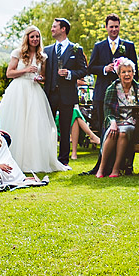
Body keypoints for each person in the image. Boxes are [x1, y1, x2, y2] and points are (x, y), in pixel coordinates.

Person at [0, 26, 68, 172]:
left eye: (37, 36)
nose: (35, 39)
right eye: (32, 37)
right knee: (17, 123)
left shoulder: (42, 56)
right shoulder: (18, 53)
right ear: (27, 38)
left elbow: (44, 76)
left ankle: (33, 161)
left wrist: (40, 78)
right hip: (18, 90)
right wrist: (26, 70)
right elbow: (9, 73)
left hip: (34, 90)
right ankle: (13, 159)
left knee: (34, 126)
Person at [44, 18, 88, 166]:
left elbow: (83, 70)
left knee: (64, 128)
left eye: (54, 26)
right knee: (47, 127)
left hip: (67, 95)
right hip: (50, 94)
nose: (52, 29)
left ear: (63, 29)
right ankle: (47, 158)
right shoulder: (47, 50)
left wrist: (69, 73)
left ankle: (63, 161)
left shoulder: (76, 49)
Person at [87, 14, 139, 134]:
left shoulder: (128, 46)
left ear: (119, 27)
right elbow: (90, 68)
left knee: (123, 124)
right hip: (102, 91)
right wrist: (104, 69)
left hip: (124, 93)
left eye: (116, 26)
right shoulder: (99, 46)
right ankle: (104, 151)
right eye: (111, 27)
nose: (114, 29)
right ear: (106, 27)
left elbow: (135, 70)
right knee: (102, 125)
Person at [96, 58, 139, 178]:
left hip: (131, 122)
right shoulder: (112, 89)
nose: (127, 74)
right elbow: (107, 111)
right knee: (112, 132)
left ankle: (116, 168)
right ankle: (101, 168)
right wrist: (112, 122)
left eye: (129, 71)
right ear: (119, 74)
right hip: (116, 121)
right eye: (123, 72)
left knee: (123, 133)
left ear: (133, 73)